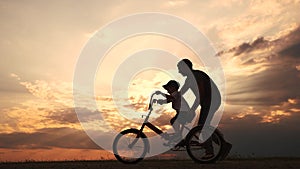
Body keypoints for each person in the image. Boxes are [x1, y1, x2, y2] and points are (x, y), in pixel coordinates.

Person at [177, 58, 222, 159]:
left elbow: (200, 95)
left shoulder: (197, 76)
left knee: (202, 126)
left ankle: (210, 151)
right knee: (203, 125)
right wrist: (168, 98)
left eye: (180, 68)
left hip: (211, 101)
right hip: (207, 102)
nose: (179, 71)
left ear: (185, 67)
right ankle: (222, 143)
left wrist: (192, 109)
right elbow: (181, 93)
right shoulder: (189, 79)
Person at [154, 80, 195, 145]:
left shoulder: (177, 94)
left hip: (185, 113)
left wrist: (161, 94)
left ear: (173, 88)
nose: (167, 91)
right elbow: (168, 100)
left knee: (174, 120)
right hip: (181, 113)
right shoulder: (175, 95)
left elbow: (170, 98)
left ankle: (178, 135)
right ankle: (178, 135)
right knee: (174, 120)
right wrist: (160, 101)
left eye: (168, 88)